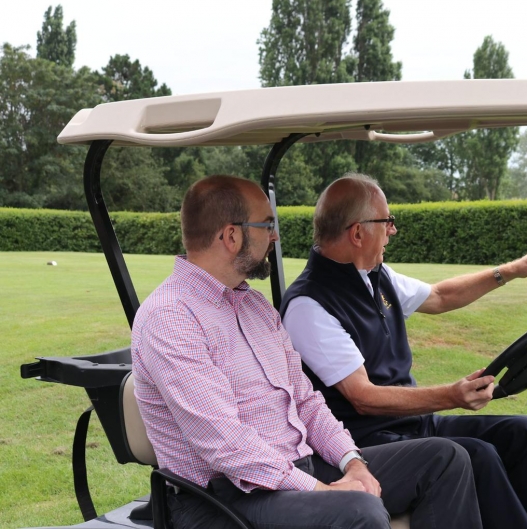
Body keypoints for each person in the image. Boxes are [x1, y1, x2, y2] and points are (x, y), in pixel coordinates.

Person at [131, 175, 483, 529]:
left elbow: (306, 401)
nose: (275, 236)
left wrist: (352, 463)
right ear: (231, 235)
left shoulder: (254, 307)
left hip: (294, 469)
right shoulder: (171, 317)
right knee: (360, 513)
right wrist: (322, 491)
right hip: (222, 498)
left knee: (444, 458)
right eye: (267, 225)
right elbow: (226, 447)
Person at [282, 173, 527, 529]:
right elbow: (363, 398)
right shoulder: (310, 305)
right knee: (479, 456)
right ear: (357, 233)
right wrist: (451, 395)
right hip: (368, 442)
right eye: (386, 221)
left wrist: (513, 270)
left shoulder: (374, 275)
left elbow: (439, 296)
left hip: (413, 426)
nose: (392, 230)